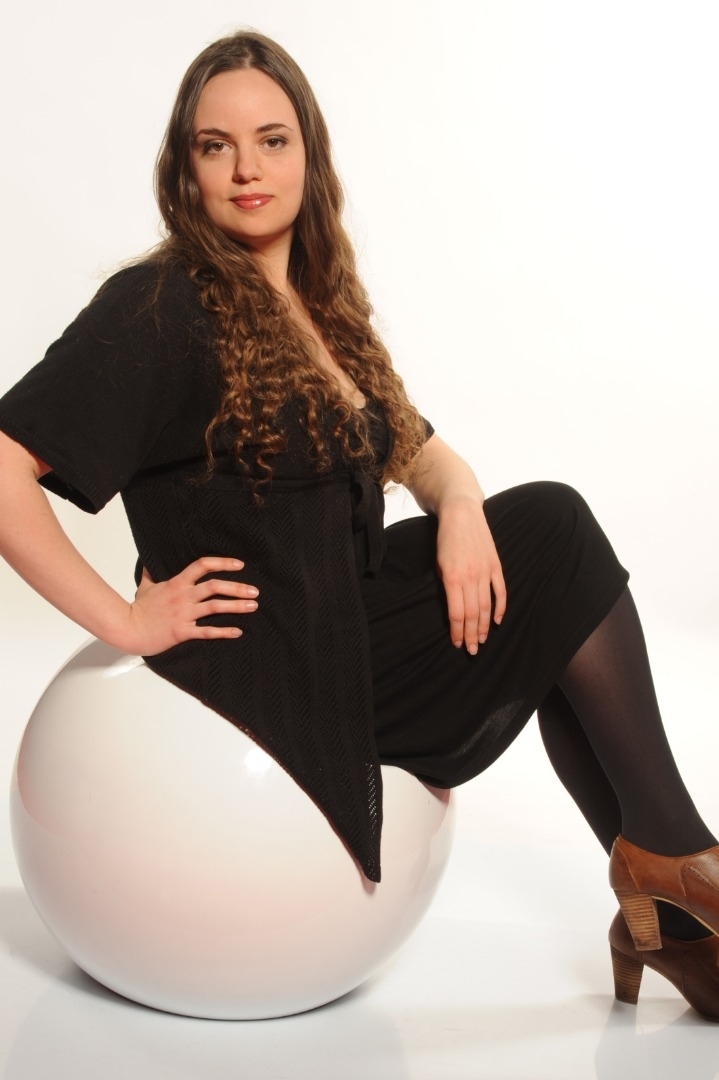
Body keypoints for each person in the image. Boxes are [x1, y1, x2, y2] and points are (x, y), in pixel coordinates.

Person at [1, 30, 718, 1020]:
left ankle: (672, 882)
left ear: (309, 155)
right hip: (278, 658)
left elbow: (421, 450)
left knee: (543, 546)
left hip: (346, 611)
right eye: (216, 146)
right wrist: (125, 620)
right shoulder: (162, 304)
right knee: (554, 544)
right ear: (184, 169)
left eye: (271, 140)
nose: (247, 169)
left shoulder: (317, 308)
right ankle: (681, 882)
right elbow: (5, 465)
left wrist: (458, 505)